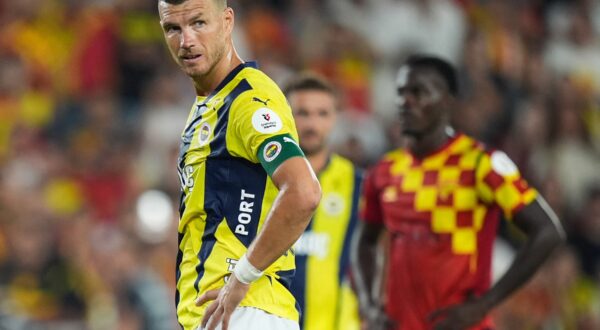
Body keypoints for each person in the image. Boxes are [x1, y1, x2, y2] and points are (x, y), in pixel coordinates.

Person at [352, 55, 565, 330]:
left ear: (448, 101)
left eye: (418, 92)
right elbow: (365, 240)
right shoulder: (384, 170)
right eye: (401, 93)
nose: (406, 101)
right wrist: (369, 305)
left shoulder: (480, 163)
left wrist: (485, 304)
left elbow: (547, 231)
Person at [157, 1, 322, 330]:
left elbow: (304, 192)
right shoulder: (210, 103)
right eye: (173, 29)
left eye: (198, 23)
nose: (186, 41)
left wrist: (242, 276)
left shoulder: (248, 100)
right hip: (223, 312)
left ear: (227, 21)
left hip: (245, 312)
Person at [284, 74, 362, 330]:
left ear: (335, 118)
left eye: (322, 113)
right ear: (284, 115)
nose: (312, 123)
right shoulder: (259, 180)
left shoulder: (358, 184)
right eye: (302, 113)